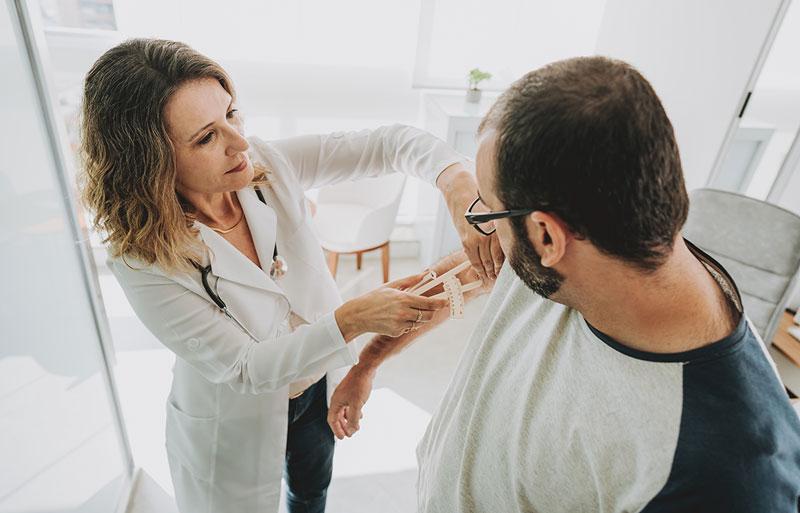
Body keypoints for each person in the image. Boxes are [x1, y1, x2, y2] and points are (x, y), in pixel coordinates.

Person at [328, 56, 800, 512]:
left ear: (547, 235)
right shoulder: (601, 231)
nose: (483, 231)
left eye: (489, 212)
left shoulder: (723, 478)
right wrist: (367, 365)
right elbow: (442, 286)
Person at [78, 38, 503, 513]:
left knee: (310, 491)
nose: (240, 143)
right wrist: (352, 320)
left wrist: (456, 182)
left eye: (232, 114)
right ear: (149, 161)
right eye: (206, 137)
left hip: (316, 390)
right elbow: (248, 368)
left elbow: (391, 144)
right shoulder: (141, 261)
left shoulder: (265, 164)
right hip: (233, 420)